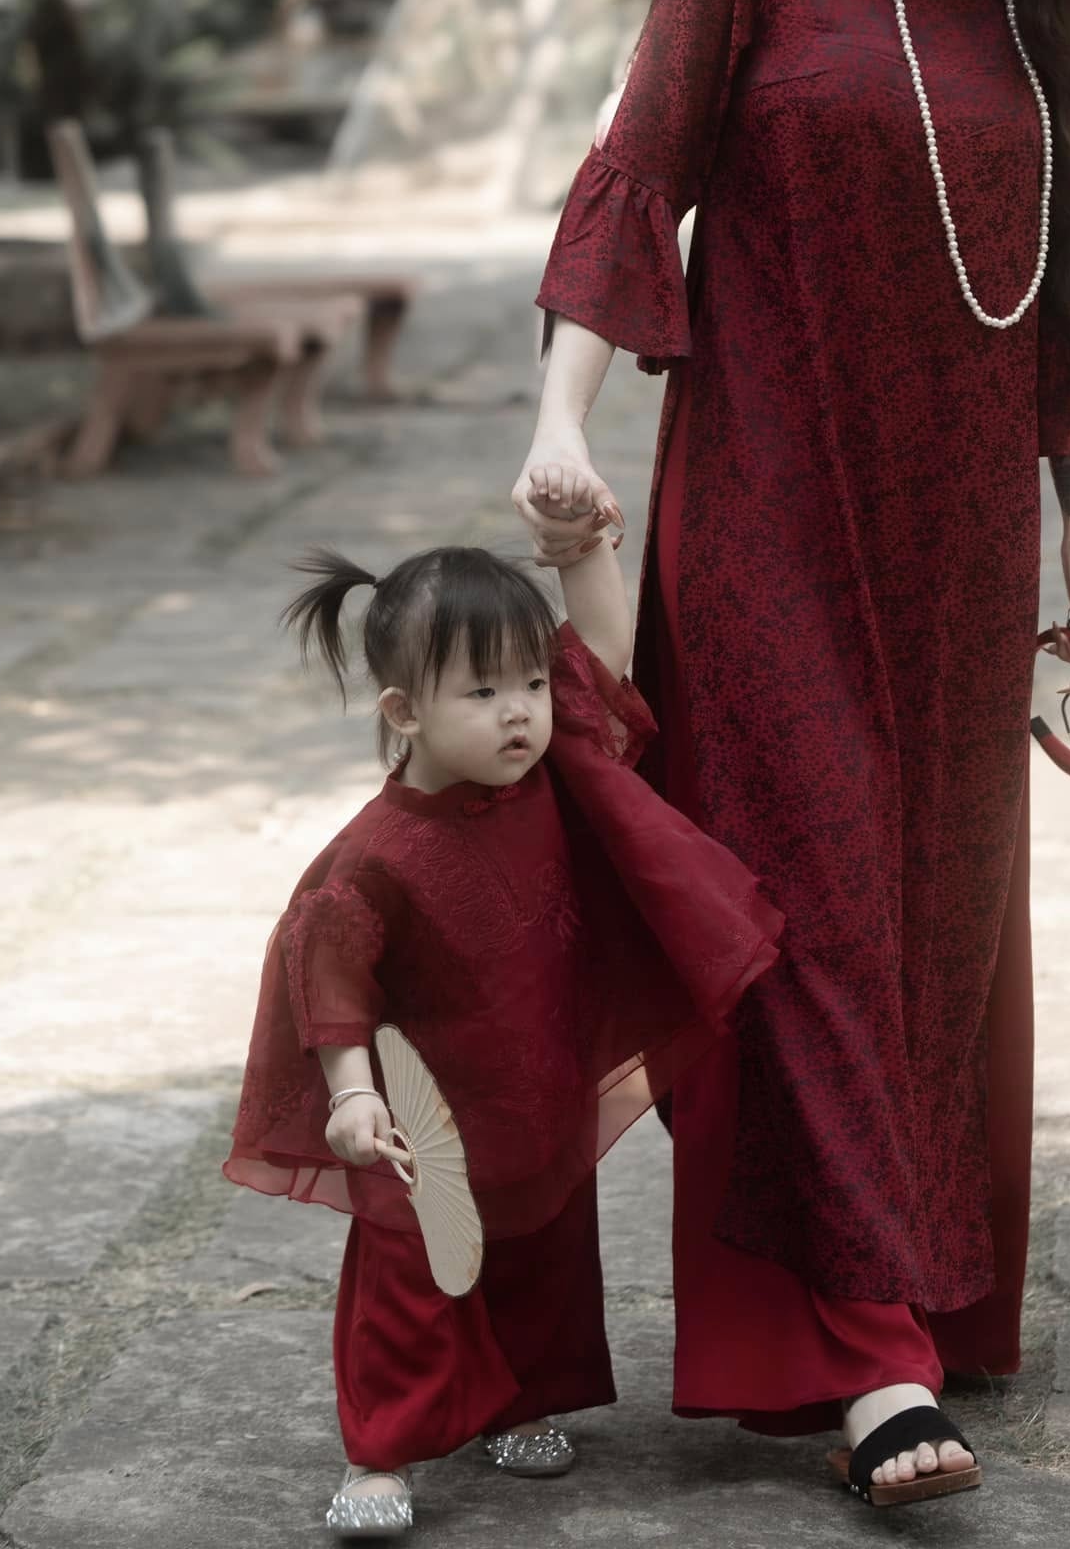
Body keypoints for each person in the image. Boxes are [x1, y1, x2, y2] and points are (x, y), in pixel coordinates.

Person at [515, 0, 1070, 1510]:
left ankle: (919, 1289)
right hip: (767, 509)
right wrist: (563, 418)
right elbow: (642, 163)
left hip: (962, 535)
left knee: (935, 920)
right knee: (803, 902)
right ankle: (873, 1355)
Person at [223, 534, 780, 1538]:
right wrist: (353, 1092)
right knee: (411, 1282)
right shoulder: (378, 856)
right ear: (405, 712)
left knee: (541, 1250)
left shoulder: (554, 773)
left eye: (529, 682)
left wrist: (583, 543)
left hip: (534, 1081)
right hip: (422, 1110)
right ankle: (379, 1453)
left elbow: (601, 649)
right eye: (483, 691)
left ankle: (521, 1402)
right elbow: (332, 981)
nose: (520, 709)